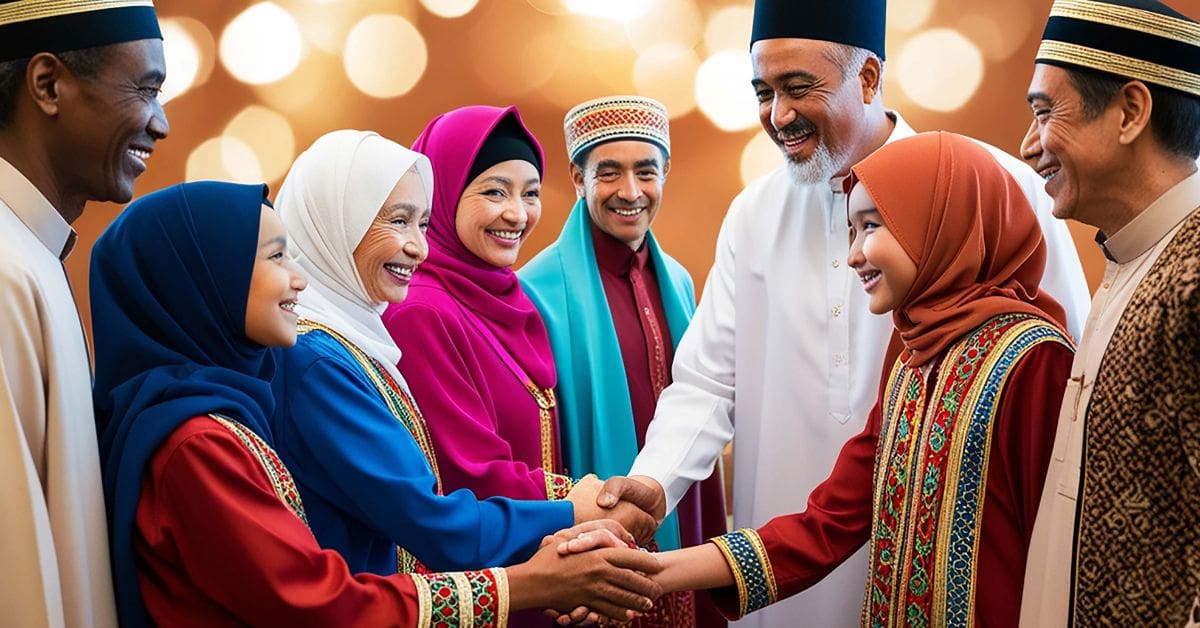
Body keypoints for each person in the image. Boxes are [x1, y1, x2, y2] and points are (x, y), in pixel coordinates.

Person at [604, 1, 1093, 625]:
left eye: (798, 87)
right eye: (763, 92)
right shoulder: (754, 213)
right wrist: (655, 483)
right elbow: (707, 382)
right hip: (781, 557)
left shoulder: (991, 186)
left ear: (867, 78)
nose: (778, 115)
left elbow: (1069, 401)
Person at [92, 181, 663, 627]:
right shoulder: (199, 442)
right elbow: (317, 600)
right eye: (275, 257)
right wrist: (533, 578)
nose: (298, 279)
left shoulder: (229, 406)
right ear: (207, 279)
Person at [269, 130, 656, 601]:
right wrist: (573, 511)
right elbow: (428, 517)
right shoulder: (319, 359)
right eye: (397, 221)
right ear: (334, 221)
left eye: (423, 223)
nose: (420, 247)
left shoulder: (355, 339)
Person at [1015, 1, 1200, 624]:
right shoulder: (1134, 258)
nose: (1029, 144)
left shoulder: (1192, 276)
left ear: (1130, 112)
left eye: (1045, 112)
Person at [520, 95, 727, 628]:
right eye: (609, 172)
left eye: (646, 172)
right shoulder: (535, 290)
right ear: (578, 178)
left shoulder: (678, 279)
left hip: (678, 503)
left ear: (666, 173)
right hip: (592, 516)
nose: (630, 192)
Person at [0, 2, 167, 626]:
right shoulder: (7, 271)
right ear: (48, 85)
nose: (161, 124)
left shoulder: (31, 254)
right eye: (145, 89)